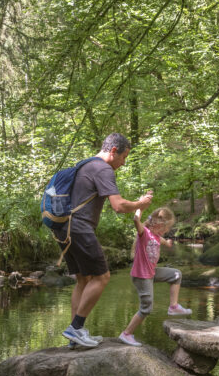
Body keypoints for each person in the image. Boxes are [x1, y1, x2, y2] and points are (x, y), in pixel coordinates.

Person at [56, 133, 153, 348]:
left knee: (83, 279)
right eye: (123, 157)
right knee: (102, 276)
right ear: (113, 151)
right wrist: (140, 204)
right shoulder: (103, 168)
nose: (123, 163)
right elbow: (118, 206)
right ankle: (76, 327)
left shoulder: (85, 166)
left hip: (64, 227)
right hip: (80, 227)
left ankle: (75, 336)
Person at [119, 206, 192, 347]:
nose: (167, 231)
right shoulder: (144, 233)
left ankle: (174, 306)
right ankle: (126, 334)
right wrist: (140, 207)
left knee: (176, 274)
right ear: (159, 224)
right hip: (141, 275)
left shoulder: (157, 236)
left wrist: (169, 243)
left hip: (151, 273)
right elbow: (136, 220)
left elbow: (164, 241)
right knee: (146, 308)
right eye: (167, 228)